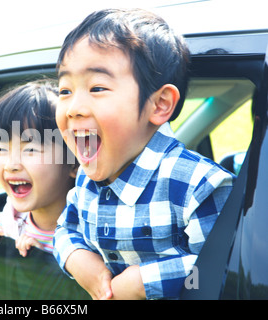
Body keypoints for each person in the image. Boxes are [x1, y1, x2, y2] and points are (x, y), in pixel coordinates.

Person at [53, 8, 234, 300]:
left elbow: (228, 270)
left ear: (160, 105)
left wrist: (143, 282)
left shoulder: (198, 186)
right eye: (64, 91)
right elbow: (65, 228)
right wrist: (75, 257)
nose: (73, 107)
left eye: (97, 87)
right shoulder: (88, 178)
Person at [0, 80, 77, 257]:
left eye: (31, 149)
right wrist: (1, 237)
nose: (12, 165)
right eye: (2, 149)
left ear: (73, 163)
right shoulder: (12, 216)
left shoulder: (90, 234)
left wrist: (42, 260)